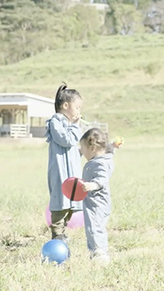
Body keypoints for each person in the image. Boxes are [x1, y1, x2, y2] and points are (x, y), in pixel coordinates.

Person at [46, 83, 85, 241]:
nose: (79, 111)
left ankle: (62, 232)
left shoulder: (67, 124)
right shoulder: (56, 121)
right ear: (66, 105)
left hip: (71, 171)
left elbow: (71, 149)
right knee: (59, 201)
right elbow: (67, 140)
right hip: (60, 171)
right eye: (77, 107)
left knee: (71, 202)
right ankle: (57, 233)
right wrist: (76, 126)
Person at [78, 128, 115, 263]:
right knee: (95, 226)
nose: (82, 151)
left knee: (94, 227)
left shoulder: (100, 163)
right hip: (96, 202)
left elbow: (102, 178)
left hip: (97, 203)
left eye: (83, 148)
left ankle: (99, 253)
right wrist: (113, 146)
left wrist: (93, 185)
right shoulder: (104, 157)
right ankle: (97, 251)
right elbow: (109, 151)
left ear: (92, 148)